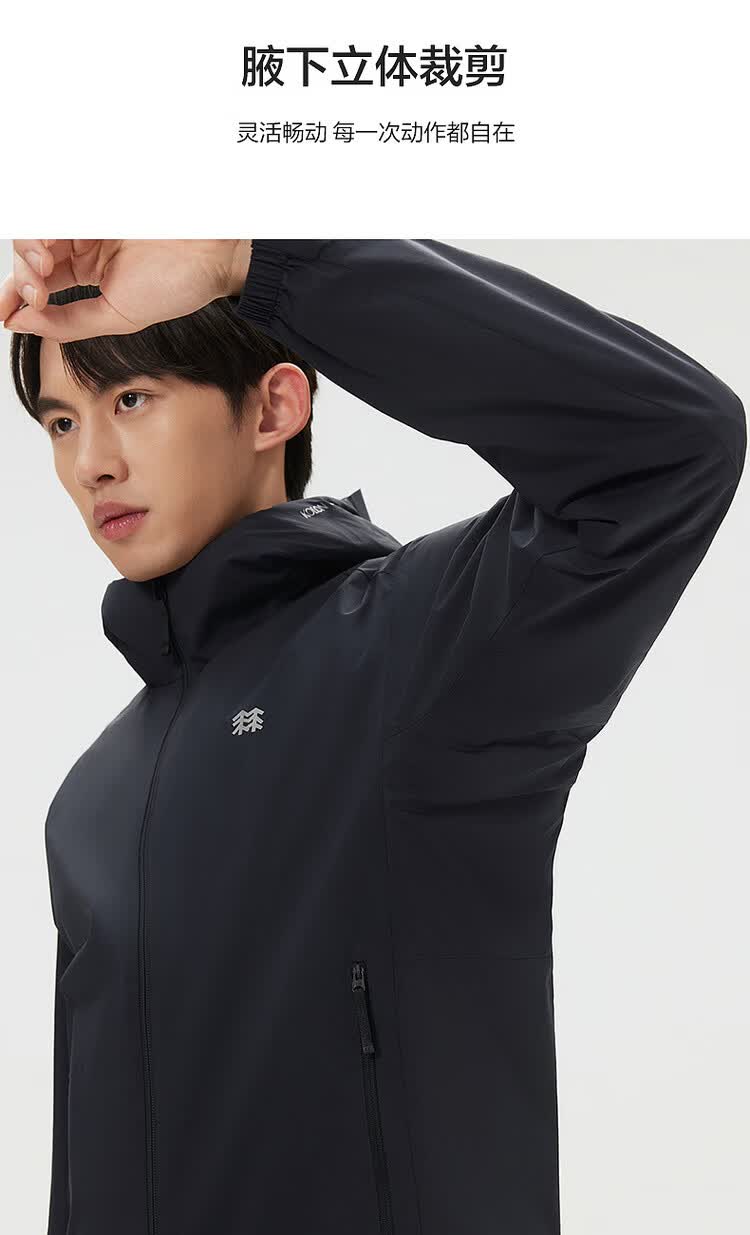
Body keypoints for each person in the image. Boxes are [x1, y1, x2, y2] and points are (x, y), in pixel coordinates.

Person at [3, 239, 746, 1235]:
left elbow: (669, 446)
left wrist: (256, 262)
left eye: (131, 398)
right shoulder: (89, 795)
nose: (90, 461)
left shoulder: (422, 649)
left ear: (274, 407)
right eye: (61, 420)